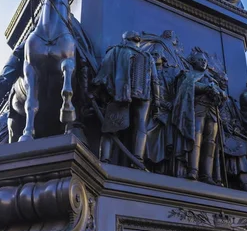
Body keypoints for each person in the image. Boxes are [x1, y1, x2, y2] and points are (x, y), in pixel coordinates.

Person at [93, 31, 160, 164]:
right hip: (144, 96)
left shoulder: (116, 50)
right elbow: (155, 80)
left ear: (124, 40)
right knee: (141, 125)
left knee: (112, 125)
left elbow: (104, 72)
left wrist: (95, 91)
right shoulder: (148, 56)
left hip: (120, 94)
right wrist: (158, 101)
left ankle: (105, 158)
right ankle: (138, 158)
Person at [172, 48, 226, 184]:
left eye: (205, 61)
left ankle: (207, 174)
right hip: (197, 109)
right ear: (193, 62)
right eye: (200, 60)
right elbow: (188, 87)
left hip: (213, 111)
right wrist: (206, 88)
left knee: (210, 142)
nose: (203, 63)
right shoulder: (188, 75)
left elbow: (224, 95)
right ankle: (193, 170)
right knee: (196, 137)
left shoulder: (212, 79)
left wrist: (219, 93)